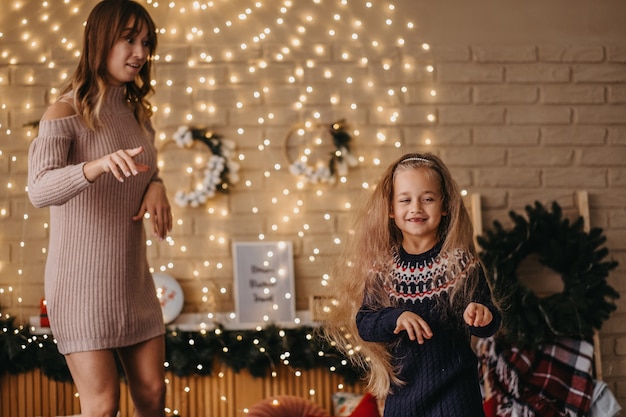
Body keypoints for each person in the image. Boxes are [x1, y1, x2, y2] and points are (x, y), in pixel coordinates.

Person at [27, 1, 171, 416]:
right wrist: (94, 167)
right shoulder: (65, 112)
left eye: (146, 42)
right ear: (100, 41)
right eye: (129, 39)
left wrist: (156, 186)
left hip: (132, 280)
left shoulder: (137, 114)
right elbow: (39, 189)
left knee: (152, 394)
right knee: (103, 405)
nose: (140, 53)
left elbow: (150, 171)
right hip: (79, 287)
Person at [322, 152, 500, 417]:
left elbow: (490, 320)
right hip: (405, 395)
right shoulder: (383, 269)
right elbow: (365, 323)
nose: (416, 207)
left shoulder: (461, 263)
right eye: (405, 200)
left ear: (444, 206)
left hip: (457, 395)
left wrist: (482, 315)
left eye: (427, 199)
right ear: (391, 209)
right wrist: (396, 317)